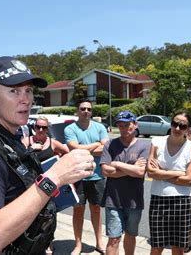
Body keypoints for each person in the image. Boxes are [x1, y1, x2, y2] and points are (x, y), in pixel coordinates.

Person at [0, 56, 96, 254]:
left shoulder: (8, 139)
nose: (26, 99)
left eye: (28, 90)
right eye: (14, 91)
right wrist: (55, 177)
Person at [146, 111, 191, 255]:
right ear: (171, 123)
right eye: (175, 124)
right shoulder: (157, 142)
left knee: (178, 247)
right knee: (156, 246)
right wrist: (178, 173)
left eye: (182, 126)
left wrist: (161, 172)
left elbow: (189, 180)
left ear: (188, 129)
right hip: (159, 198)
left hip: (182, 201)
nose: (177, 128)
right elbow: (150, 172)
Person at [100, 111, 150, 255]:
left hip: (134, 201)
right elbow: (106, 171)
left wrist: (117, 164)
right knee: (114, 239)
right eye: (120, 125)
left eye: (127, 125)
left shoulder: (144, 146)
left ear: (135, 125)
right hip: (113, 200)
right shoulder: (110, 144)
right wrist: (132, 168)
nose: (123, 128)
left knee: (130, 235)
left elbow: (141, 173)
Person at [64, 99, 109, 254]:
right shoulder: (70, 129)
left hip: (97, 176)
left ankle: (99, 242)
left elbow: (106, 148)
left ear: (92, 111)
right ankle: (78, 245)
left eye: (89, 109)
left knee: (96, 210)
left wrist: (84, 149)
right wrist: (95, 145)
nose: (86, 111)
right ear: (77, 110)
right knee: (78, 210)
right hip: (78, 175)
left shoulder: (100, 127)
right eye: (82, 108)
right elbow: (74, 149)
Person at [21, 116, 69, 254]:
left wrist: (59, 163)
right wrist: (31, 148)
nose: (41, 130)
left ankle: (49, 242)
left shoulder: (53, 143)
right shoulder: (26, 141)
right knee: (31, 214)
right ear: (34, 128)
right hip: (30, 184)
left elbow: (67, 152)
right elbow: (18, 157)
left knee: (50, 214)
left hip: (48, 184)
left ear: (48, 129)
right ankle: (30, 242)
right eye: (38, 127)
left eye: (44, 127)